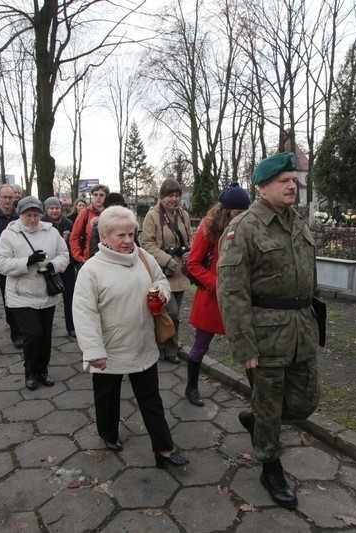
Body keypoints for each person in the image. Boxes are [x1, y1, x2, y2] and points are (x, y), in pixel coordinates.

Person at [216, 152, 320, 510]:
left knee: (305, 401)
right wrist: (244, 346)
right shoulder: (242, 228)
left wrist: (315, 323)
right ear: (262, 187)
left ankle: (258, 418)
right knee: (271, 404)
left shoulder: (299, 223)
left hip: (301, 330)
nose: (292, 186)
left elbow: (310, 278)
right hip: (265, 335)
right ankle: (270, 466)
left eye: (294, 180)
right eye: (283, 181)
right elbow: (231, 291)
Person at [73, 206, 189, 469]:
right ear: (104, 237)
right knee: (107, 398)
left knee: (152, 400)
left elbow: (161, 280)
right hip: (110, 349)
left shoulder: (144, 257)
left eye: (131, 234)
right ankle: (108, 433)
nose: (128, 241)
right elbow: (84, 313)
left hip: (144, 344)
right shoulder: (91, 271)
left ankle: (164, 451)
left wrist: (161, 291)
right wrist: (93, 351)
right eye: (121, 235)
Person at [184, 182, 251, 406]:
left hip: (241, 299)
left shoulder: (248, 228)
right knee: (200, 346)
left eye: (245, 213)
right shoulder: (210, 228)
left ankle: (259, 396)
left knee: (248, 348)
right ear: (225, 211)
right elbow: (193, 264)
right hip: (213, 298)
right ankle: (191, 386)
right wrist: (217, 285)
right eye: (237, 213)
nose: (241, 217)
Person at [0, 197, 70, 390]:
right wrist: (26, 261)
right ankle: (30, 371)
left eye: (36, 215)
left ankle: (43, 370)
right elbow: (0, 263)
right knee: (33, 334)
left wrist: (53, 265)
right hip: (20, 294)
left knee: (45, 335)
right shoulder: (10, 234)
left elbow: (64, 254)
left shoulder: (50, 231)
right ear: (20, 214)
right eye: (29, 215)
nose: (33, 219)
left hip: (46, 293)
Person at [141, 178, 192, 365]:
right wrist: (167, 259)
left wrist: (189, 253)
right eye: (170, 195)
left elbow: (189, 238)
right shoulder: (153, 215)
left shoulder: (183, 215)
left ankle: (167, 346)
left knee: (173, 314)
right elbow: (147, 244)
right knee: (171, 313)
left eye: (177, 195)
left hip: (180, 272)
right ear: (162, 195)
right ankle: (166, 347)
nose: (174, 199)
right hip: (162, 272)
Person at [0, 184, 24, 348]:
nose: (7, 200)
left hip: (21, 261)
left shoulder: (20, 216)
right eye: (4, 197)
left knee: (22, 295)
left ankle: (23, 326)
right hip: (3, 263)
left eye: (11, 197)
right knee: (9, 297)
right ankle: (16, 332)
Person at [41, 197, 75, 338]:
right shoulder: (41, 223)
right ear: (46, 209)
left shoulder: (68, 223)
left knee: (70, 296)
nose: (54, 211)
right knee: (47, 295)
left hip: (67, 263)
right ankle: (44, 327)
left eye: (57, 208)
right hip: (48, 264)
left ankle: (72, 326)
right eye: (51, 208)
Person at [69, 184, 108, 269]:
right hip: (88, 259)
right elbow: (74, 236)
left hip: (106, 258)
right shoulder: (85, 213)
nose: (98, 197)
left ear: (105, 197)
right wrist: (79, 257)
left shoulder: (109, 213)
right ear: (92, 196)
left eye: (101, 195)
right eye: (95, 194)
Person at [89, 192, 131, 257]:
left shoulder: (129, 227)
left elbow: (135, 249)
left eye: (122, 208)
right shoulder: (98, 228)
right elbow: (94, 254)